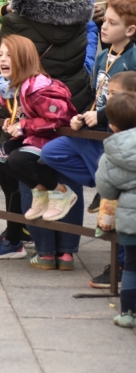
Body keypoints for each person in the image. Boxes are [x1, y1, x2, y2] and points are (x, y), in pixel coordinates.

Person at [41, 0, 136, 287]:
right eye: (103, 20)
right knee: (50, 152)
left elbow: (129, 102)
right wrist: (80, 115)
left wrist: (102, 115)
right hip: (95, 133)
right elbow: (95, 94)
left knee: (118, 203)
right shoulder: (101, 56)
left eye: (112, 23)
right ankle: (98, 181)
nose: (103, 26)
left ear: (130, 30)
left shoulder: (133, 58)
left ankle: (119, 264)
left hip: (121, 137)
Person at [0, 35, 77, 263]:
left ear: (24, 59)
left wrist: (23, 125)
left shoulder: (38, 87)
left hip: (49, 141)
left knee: (17, 159)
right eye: (0, 55)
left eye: (10, 55)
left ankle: (61, 192)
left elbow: (60, 119)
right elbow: (23, 113)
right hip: (32, 137)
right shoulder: (10, 85)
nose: (3, 60)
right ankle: (40, 189)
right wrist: (12, 122)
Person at [96, 92, 136, 328]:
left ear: (111, 125)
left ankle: (128, 313)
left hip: (131, 221)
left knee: (131, 267)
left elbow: (106, 191)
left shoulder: (110, 155)